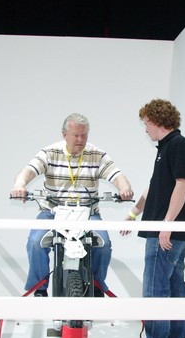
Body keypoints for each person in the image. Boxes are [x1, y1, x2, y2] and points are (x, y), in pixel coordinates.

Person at [10, 113, 134, 295]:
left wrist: (125, 188)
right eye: (76, 135)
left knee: (104, 245)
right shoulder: (50, 152)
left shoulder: (96, 154)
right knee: (36, 243)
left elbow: (117, 175)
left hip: (87, 212)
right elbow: (28, 170)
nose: (80, 140)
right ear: (64, 134)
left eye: (84, 135)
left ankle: (97, 287)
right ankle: (39, 289)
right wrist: (20, 185)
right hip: (52, 211)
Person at [120, 99, 185, 338]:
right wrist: (133, 214)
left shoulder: (178, 145)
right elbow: (154, 187)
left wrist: (167, 224)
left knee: (155, 291)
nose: (145, 130)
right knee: (174, 289)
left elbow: (183, 184)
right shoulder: (166, 148)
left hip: (166, 233)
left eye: (146, 124)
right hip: (169, 230)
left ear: (156, 121)